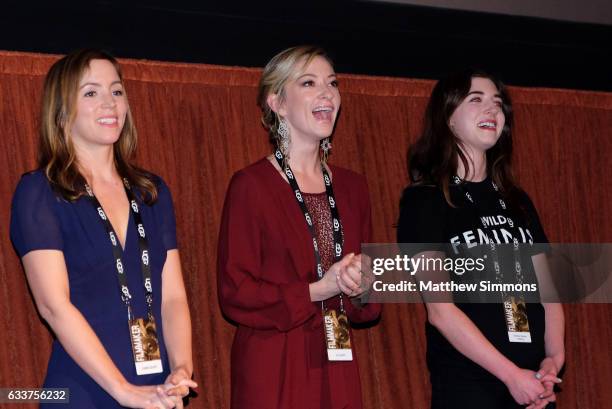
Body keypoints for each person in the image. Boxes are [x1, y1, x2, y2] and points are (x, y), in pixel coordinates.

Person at [10, 49, 196, 408]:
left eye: (116, 91)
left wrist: (181, 369)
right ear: (62, 110)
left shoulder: (151, 192)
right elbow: (53, 306)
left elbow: (172, 297)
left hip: (157, 389)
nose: (109, 103)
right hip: (82, 391)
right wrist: (123, 390)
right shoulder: (40, 192)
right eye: (91, 93)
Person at [217, 45, 380, 409]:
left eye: (332, 83)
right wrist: (316, 290)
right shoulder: (251, 185)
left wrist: (364, 283)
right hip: (274, 364)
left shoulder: (354, 187)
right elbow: (235, 291)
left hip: (337, 365)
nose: (327, 93)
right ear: (277, 102)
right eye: (309, 83)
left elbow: (369, 302)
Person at [397, 69, 565, 409]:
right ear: (448, 119)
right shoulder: (425, 200)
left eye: (498, 104)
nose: (492, 110)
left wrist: (553, 361)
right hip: (470, 387)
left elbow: (550, 294)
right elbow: (441, 312)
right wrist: (510, 376)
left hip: (534, 384)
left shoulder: (518, 200)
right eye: (476, 100)